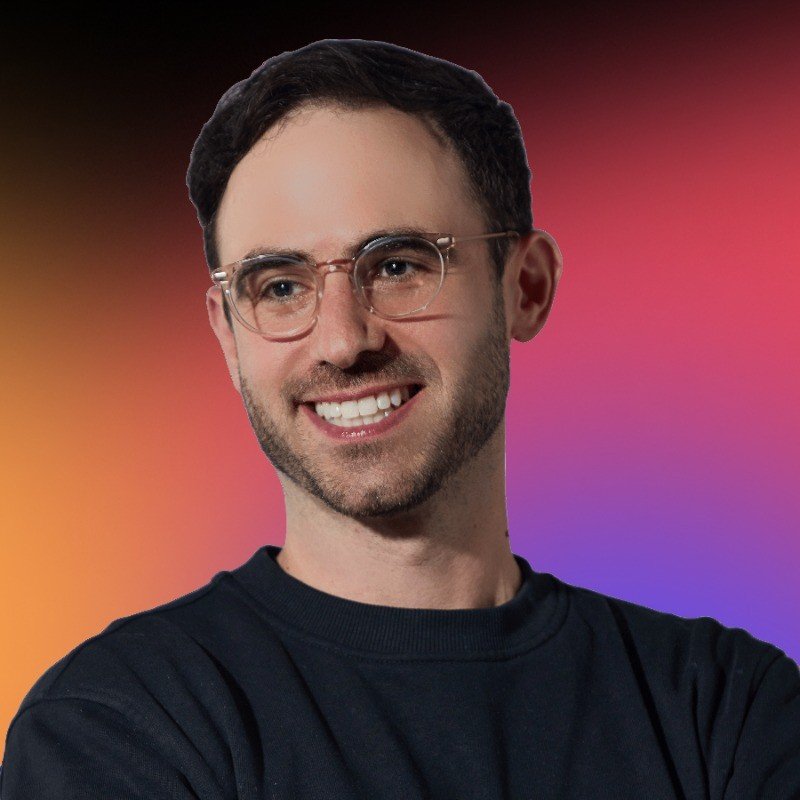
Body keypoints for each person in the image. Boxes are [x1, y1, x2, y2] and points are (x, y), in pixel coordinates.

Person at [2, 38, 798, 799]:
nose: (344, 340)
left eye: (398, 266)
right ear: (228, 331)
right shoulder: (120, 726)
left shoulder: (726, 710)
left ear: (524, 287)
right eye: (280, 286)